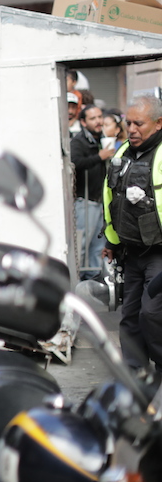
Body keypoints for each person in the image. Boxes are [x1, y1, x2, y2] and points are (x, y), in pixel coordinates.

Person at [103, 95, 162, 372]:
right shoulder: (123, 151)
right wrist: (111, 242)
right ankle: (135, 376)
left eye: (139, 123)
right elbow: (109, 198)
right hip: (132, 250)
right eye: (129, 123)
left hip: (159, 252)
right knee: (130, 317)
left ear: (159, 123)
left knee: (152, 313)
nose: (132, 129)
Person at [70, 105, 113, 280]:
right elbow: (75, 163)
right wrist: (99, 157)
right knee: (82, 244)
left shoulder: (100, 138)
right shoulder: (79, 141)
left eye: (100, 117)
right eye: (93, 118)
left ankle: (94, 281)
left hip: (99, 202)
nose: (98, 121)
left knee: (97, 245)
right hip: (85, 201)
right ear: (83, 122)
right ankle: (77, 281)